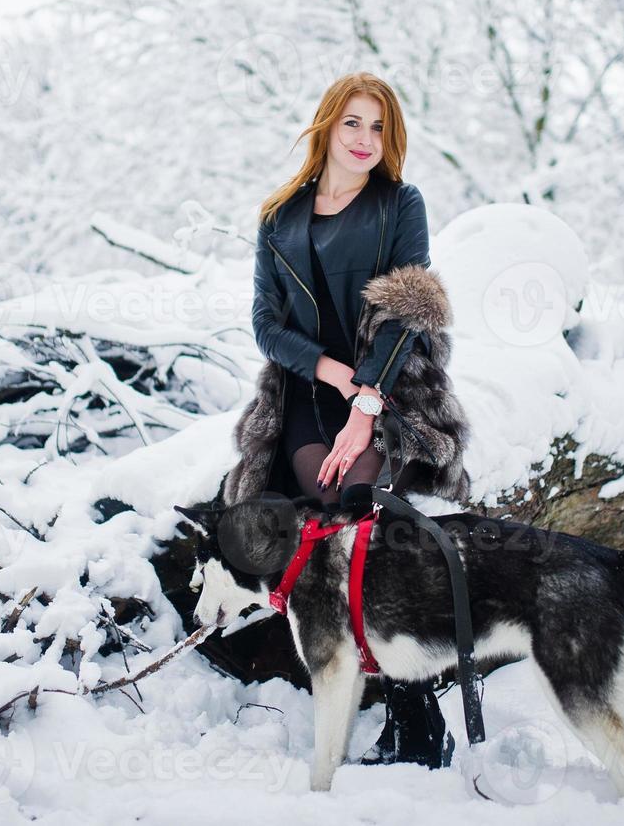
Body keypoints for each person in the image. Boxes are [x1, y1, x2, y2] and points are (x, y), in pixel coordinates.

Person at [226, 71, 475, 770]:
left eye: (378, 127)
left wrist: (364, 401)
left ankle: (416, 719)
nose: (365, 140)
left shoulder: (399, 205)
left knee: (365, 508)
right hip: (308, 393)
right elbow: (265, 324)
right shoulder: (279, 216)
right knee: (330, 509)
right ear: (326, 127)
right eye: (352, 124)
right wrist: (327, 371)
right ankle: (366, 688)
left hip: (391, 388)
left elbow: (409, 312)